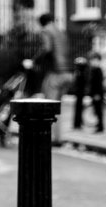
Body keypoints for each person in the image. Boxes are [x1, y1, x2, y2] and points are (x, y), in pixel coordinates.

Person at [34, 13, 73, 145]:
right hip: (68, 73)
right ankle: (59, 137)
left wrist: (34, 61)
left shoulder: (46, 30)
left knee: (49, 107)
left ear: (42, 23)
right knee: (57, 107)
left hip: (56, 73)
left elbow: (47, 48)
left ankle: (52, 138)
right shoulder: (61, 32)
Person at [88, 51, 106, 133]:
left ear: (98, 60)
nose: (92, 62)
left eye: (94, 60)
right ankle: (99, 125)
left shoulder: (98, 70)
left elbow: (98, 84)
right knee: (96, 110)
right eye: (91, 60)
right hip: (94, 94)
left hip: (97, 94)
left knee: (99, 111)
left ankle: (100, 127)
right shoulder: (93, 70)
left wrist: (97, 94)